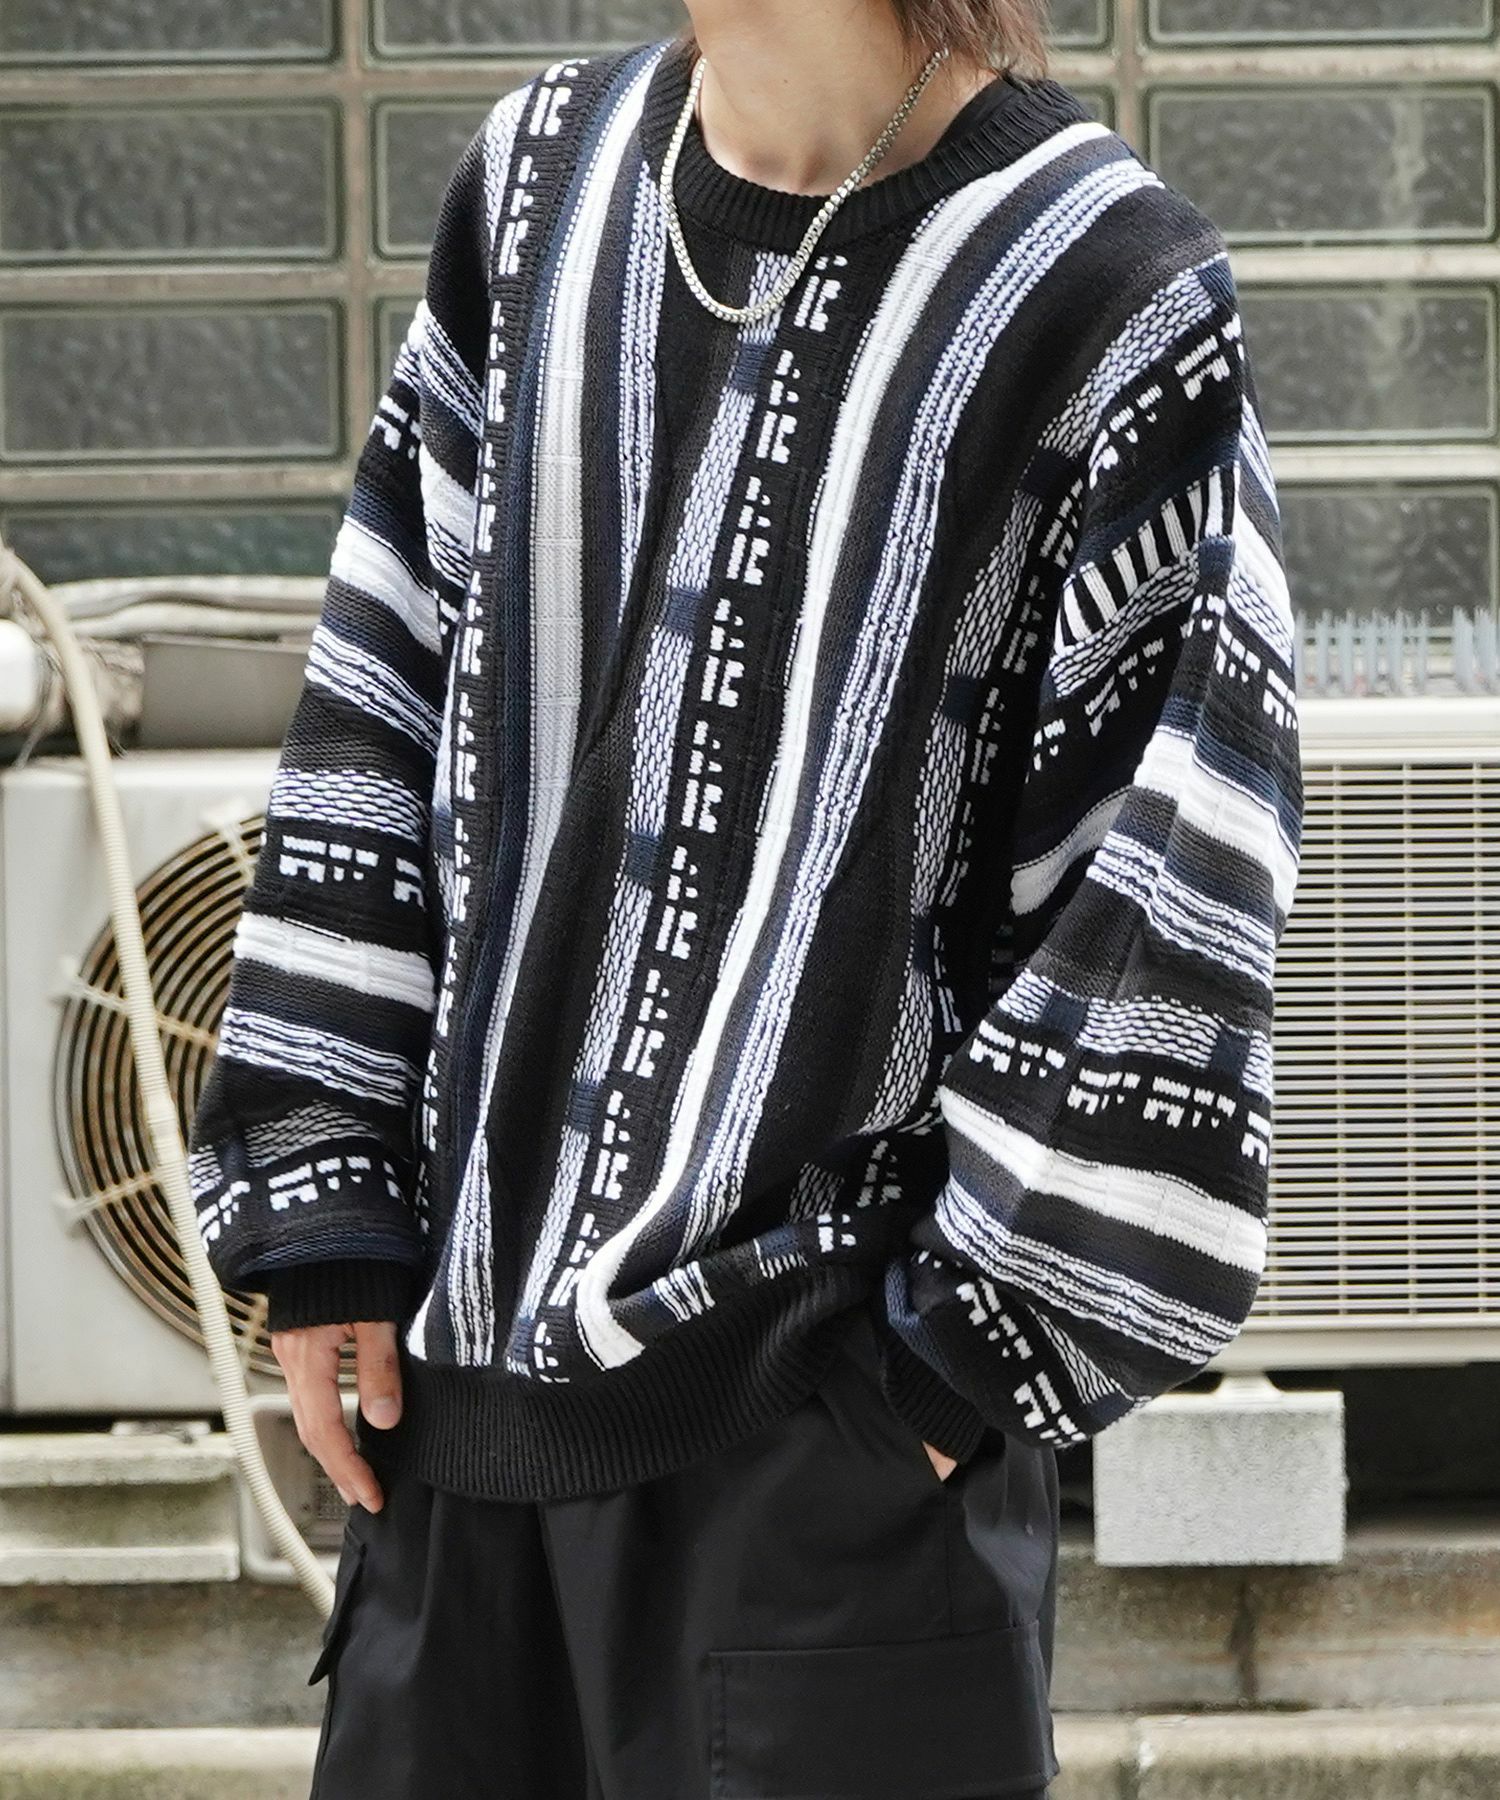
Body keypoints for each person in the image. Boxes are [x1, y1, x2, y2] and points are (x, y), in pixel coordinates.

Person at [186, 1, 1304, 1794]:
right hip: (453, 1444)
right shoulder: (538, 185)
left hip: (824, 1461)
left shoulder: (1104, 287)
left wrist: (938, 1385)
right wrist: (324, 1206)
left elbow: (1168, 886)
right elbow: (380, 695)